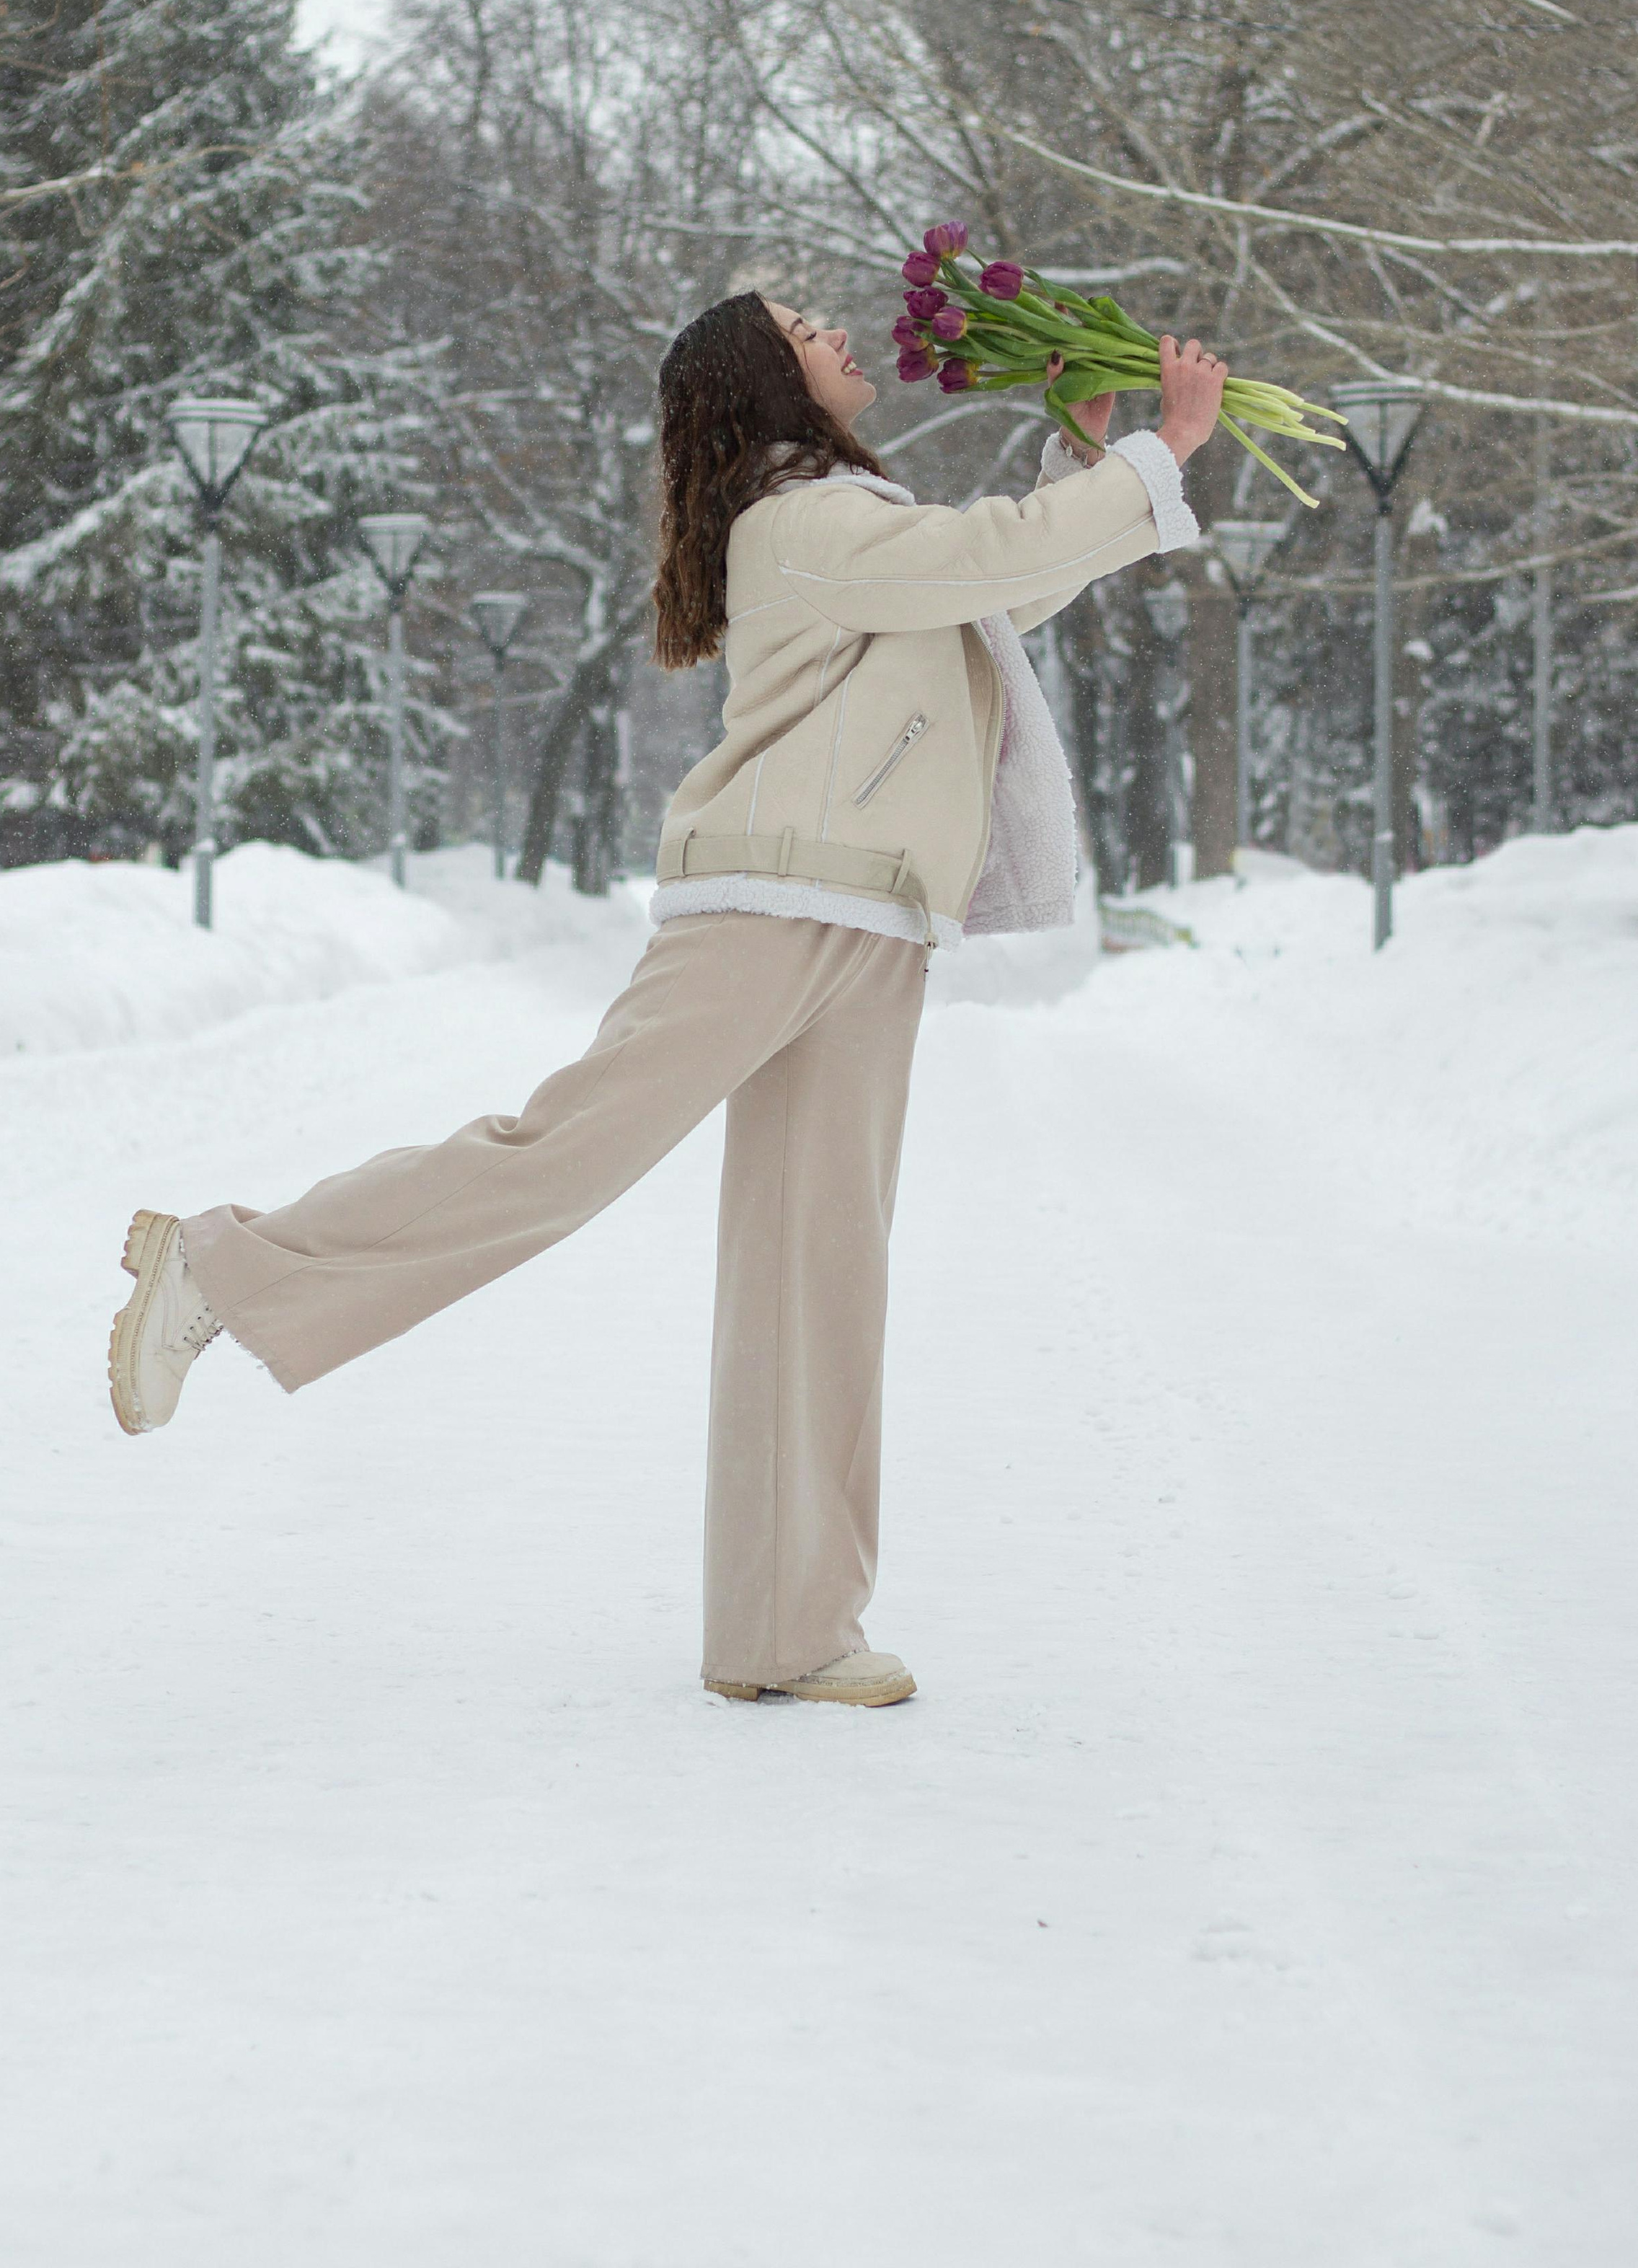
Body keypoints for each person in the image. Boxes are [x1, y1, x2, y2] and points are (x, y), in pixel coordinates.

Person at [108, 293, 1224, 1706]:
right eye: (810, 327)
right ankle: (224, 1268)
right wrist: (1157, 458)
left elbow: (984, 591)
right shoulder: (800, 517)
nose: (841, 334)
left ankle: (787, 1628)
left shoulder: (840, 518)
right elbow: (984, 555)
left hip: (867, 916)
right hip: (767, 900)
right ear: (772, 380)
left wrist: (1089, 466)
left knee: (818, 1265)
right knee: (556, 1158)